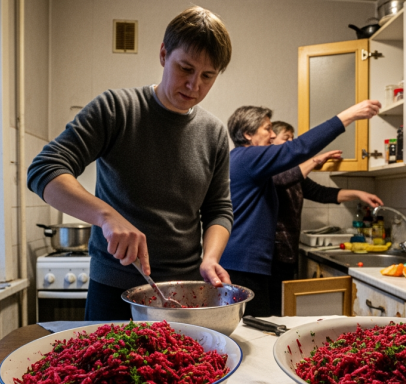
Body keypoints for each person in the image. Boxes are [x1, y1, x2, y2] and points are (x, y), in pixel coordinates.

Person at [27, 7, 234, 321]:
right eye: (185, 68)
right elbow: (44, 169)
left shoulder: (215, 133)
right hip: (114, 289)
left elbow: (219, 208)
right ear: (164, 54)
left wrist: (210, 257)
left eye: (208, 76)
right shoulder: (116, 109)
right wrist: (106, 216)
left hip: (183, 293)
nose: (194, 85)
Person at [220, 100, 381, 317]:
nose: (271, 135)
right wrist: (349, 115)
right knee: (253, 332)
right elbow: (299, 148)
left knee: (255, 329)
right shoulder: (249, 157)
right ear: (248, 134)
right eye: (267, 129)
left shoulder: (247, 161)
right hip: (243, 266)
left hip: (243, 263)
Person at [268, 121, 383, 315]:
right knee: (273, 311)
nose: (292, 143)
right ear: (272, 141)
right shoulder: (271, 171)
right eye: (286, 139)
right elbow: (286, 177)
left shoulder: (295, 176)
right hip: (271, 257)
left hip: (287, 254)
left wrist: (359, 194)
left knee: (282, 311)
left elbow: (322, 193)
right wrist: (315, 160)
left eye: (293, 138)